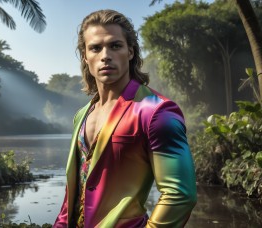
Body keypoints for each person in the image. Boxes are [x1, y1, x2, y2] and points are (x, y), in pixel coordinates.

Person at [53, 9, 197, 228]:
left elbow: (180, 195)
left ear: (130, 51)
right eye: (95, 48)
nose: (105, 56)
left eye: (115, 46)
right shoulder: (81, 115)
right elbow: (73, 193)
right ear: (85, 56)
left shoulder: (156, 111)